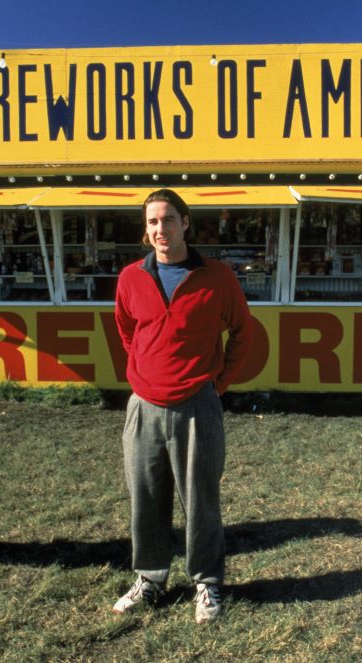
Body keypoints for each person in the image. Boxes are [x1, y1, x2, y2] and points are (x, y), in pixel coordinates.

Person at [112, 188, 254, 624]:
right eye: (152, 222)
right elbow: (127, 333)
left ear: (185, 223)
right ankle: (150, 578)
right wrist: (144, 375)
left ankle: (207, 583)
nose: (160, 229)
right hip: (144, 408)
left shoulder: (216, 276)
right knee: (146, 499)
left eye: (168, 219)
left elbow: (243, 334)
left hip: (197, 404)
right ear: (145, 229)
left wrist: (217, 383)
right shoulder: (131, 278)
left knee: (200, 501)